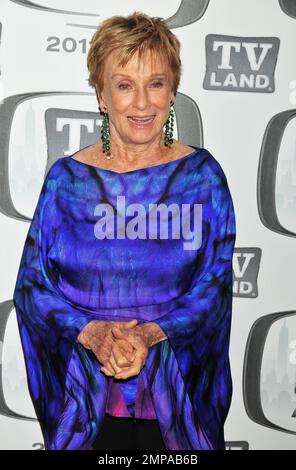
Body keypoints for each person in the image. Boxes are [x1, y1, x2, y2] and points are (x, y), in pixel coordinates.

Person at [13, 11, 236, 451]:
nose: (141, 103)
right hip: (86, 409)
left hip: (178, 409)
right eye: (123, 85)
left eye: (155, 83)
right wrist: (92, 333)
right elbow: (33, 289)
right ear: (101, 94)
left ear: (172, 92)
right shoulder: (66, 182)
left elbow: (213, 289)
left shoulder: (202, 177)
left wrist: (149, 335)